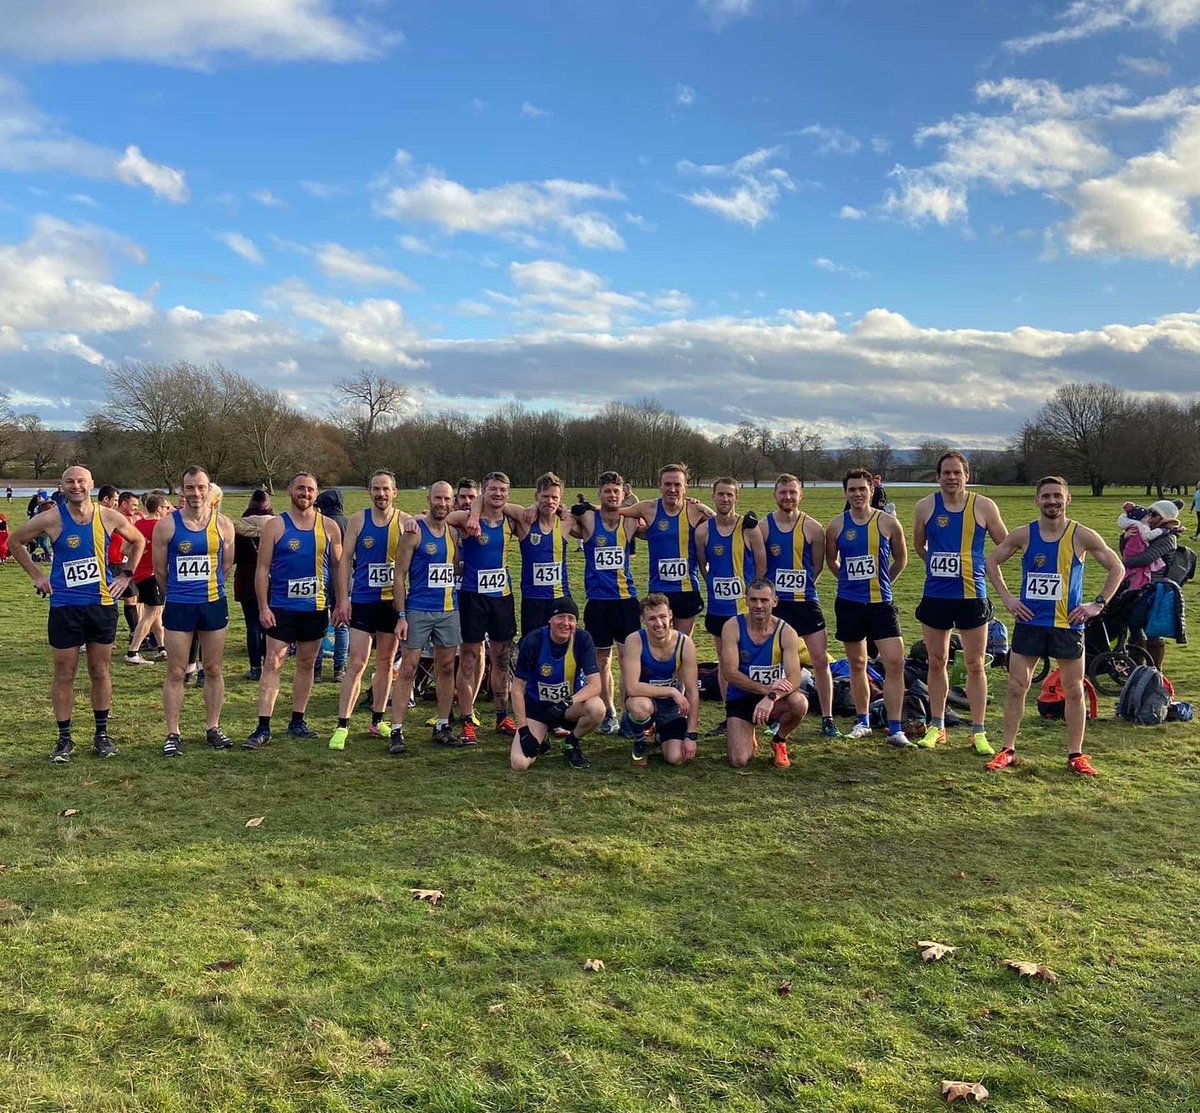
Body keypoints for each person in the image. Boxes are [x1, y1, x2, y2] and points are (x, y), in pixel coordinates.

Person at [984, 476, 1125, 776]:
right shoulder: (1023, 535)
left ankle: (1076, 755)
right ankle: (1007, 750)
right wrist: (1008, 599)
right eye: (1045, 496)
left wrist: (1097, 604)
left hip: (1067, 625)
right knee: (1015, 687)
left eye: (1057, 496)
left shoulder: (1081, 535)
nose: (1052, 501)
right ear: (1036, 500)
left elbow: (1117, 567)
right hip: (1030, 622)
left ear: (1068, 499)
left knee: (1073, 691)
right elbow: (992, 563)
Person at [8, 465, 145, 762]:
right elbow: (14, 542)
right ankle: (64, 739)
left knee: (100, 670)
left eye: (81, 481)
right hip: (65, 607)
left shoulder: (108, 516)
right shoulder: (50, 517)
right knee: (64, 673)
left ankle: (101, 735)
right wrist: (37, 575)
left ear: (91, 484)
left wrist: (126, 576)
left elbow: (138, 540)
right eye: (70, 481)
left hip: (101, 606)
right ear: (62, 486)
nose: (76, 486)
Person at [912, 451, 1008, 753]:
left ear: (967, 475)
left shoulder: (983, 506)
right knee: (937, 660)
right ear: (938, 476)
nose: (951, 477)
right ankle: (937, 726)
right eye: (946, 473)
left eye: (957, 472)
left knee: (974, 663)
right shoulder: (925, 506)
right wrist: (937, 564)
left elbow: (1005, 544)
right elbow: (918, 545)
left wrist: (980, 565)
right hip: (936, 595)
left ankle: (978, 731)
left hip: (972, 595)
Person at [243, 472, 344, 750]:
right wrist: (263, 606)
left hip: (315, 608)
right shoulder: (276, 526)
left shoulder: (330, 527)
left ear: (316, 493)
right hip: (281, 609)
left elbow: (338, 568)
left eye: (311, 490)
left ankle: (297, 721)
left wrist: (342, 602)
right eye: (301, 488)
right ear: (290, 491)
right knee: (273, 663)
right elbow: (261, 570)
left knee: (306, 664)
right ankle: (263, 726)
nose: (306, 494)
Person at [152, 466, 236, 756]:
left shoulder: (223, 525)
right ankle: (172, 733)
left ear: (209, 489)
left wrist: (207, 589)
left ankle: (213, 727)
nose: (196, 493)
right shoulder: (167, 526)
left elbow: (226, 567)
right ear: (182, 491)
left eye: (201, 487)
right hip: (179, 605)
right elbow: (159, 571)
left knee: (213, 668)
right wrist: (176, 594)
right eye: (190, 487)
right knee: (176, 671)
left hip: (213, 603)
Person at [826, 468, 911, 747]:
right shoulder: (837, 526)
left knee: (895, 662)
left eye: (862, 489)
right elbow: (832, 562)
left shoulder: (888, 523)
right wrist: (848, 582)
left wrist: (885, 582)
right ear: (845, 493)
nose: (858, 494)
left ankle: (895, 727)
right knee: (857, 663)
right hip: (849, 605)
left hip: (881, 605)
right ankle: (862, 720)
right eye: (852, 490)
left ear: (871, 491)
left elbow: (901, 559)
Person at [328, 471, 407, 751]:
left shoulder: (405, 522)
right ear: (369, 492)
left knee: (385, 662)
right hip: (362, 600)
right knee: (358, 663)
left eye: (386, 489)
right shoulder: (358, 521)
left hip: (392, 603)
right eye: (376, 489)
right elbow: (344, 561)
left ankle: (377, 720)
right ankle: (342, 725)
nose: (381, 494)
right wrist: (343, 599)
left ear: (394, 492)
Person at [759, 474, 840, 739]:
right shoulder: (764, 527)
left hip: (806, 602)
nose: (787, 497)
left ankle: (827, 718)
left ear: (800, 494)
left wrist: (801, 587)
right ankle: (776, 714)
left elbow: (816, 567)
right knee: (775, 663)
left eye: (792, 492)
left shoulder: (814, 528)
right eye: (782, 492)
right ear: (775, 495)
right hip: (777, 605)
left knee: (819, 660)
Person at [389, 481, 463, 752]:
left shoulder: (454, 534)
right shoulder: (414, 531)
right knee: (407, 669)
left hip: (448, 611)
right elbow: (398, 575)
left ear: (452, 502)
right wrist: (402, 615)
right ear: (429, 500)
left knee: (445, 668)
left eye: (446, 499)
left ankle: (442, 725)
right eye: (437, 498)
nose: (442, 504)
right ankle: (396, 730)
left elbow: (454, 571)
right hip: (418, 610)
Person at [445, 471, 519, 743]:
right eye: (492, 490)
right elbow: (441, 518)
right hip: (472, 597)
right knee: (469, 659)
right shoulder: (466, 520)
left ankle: (502, 717)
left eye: (503, 490)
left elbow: (532, 511)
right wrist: (474, 514)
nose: (498, 494)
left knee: (501, 659)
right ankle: (467, 719)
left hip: (502, 597)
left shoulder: (512, 519)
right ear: (483, 492)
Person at [571, 471, 642, 734]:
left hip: (626, 601)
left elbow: (653, 509)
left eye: (616, 491)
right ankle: (608, 710)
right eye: (607, 491)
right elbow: (568, 513)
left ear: (623, 493)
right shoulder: (589, 519)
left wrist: (696, 503)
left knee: (628, 660)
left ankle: (628, 713)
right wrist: (581, 507)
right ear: (599, 493)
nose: (612, 495)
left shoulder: (631, 520)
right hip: (598, 603)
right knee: (602, 661)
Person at [719, 579, 809, 768]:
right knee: (739, 760)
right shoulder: (732, 627)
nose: (758, 605)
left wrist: (771, 697)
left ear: (774, 601)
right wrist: (766, 690)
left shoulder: (786, 632)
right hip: (741, 697)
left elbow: (794, 678)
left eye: (764, 600)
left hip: (773, 700)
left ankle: (780, 739)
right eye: (753, 600)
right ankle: (747, 731)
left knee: (799, 703)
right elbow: (729, 672)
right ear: (746, 600)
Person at [619, 464, 714, 635]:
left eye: (677, 485)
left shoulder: (694, 509)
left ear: (685, 487)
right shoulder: (647, 508)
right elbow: (613, 512)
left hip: (687, 590)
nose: (672, 489)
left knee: (682, 645)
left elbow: (725, 523)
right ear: (660, 486)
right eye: (668, 484)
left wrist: (705, 508)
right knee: (658, 646)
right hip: (658, 589)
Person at [510, 597, 604, 771]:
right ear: (550, 620)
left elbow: (595, 685)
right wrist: (523, 730)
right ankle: (542, 735)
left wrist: (567, 702)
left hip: (567, 708)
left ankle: (571, 743)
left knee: (597, 708)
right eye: (560, 617)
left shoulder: (583, 639)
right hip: (537, 709)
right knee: (519, 764)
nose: (566, 623)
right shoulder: (533, 640)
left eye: (571, 618)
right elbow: (517, 688)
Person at [695, 478, 766, 706]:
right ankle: (730, 711)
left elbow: (761, 566)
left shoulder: (749, 529)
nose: (725, 499)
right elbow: (703, 566)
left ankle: (754, 706)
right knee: (724, 660)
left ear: (737, 497)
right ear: (713, 497)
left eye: (729, 495)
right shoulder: (703, 531)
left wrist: (750, 595)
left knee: (750, 658)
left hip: (745, 610)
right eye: (721, 494)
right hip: (718, 609)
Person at [620, 594, 700, 767]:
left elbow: (693, 692)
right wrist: (672, 691)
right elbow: (632, 688)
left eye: (663, 617)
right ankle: (639, 743)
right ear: (643, 620)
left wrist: (691, 735)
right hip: (644, 701)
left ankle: (661, 733)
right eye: (652, 618)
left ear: (671, 615)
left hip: (671, 707)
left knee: (676, 758)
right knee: (640, 707)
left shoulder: (684, 643)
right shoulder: (634, 640)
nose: (659, 623)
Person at [1121, 499, 1184, 668]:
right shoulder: (1146, 532)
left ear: (1165, 517)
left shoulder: (1168, 538)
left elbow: (1145, 558)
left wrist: (1119, 564)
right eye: (1149, 512)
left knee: (1152, 630)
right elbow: (1128, 552)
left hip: (1156, 589)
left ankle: (1154, 670)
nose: (1149, 517)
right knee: (1134, 626)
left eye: (1154, 514)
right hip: (1139, 586)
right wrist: (1125, 538)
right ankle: (1135, 668)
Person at [125, 493, 171, 664]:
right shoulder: (160, 526)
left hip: (139, 575)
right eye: (166, 507)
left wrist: (142, 553)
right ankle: (133, 651)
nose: (168, 510)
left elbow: (124, 549)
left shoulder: (138, 524)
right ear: (159, 509)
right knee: (153, 612)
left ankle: (162, 648)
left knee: (155, 612)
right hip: (152, 574)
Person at [233, 490, 273, 680]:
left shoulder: (239, 528)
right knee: (269, 624)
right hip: (271, 581)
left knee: (252, 625)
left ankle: (255, 667)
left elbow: (234, 557)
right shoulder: (277, 526)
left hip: (246, 580)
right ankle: (268, 664)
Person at [314, 488, 350, 683]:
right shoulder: (350, 523)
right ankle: (339, 668)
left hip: (323, 577)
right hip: (347, 579)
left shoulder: (321, 524)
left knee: (320, 622)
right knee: (342, 624)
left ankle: (317, 669)